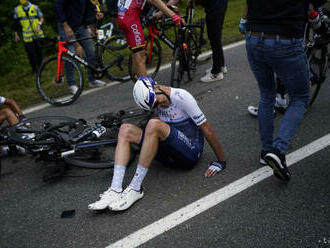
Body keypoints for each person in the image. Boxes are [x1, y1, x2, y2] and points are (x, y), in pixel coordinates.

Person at [88, 76, 226, 211]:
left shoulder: (182, 97)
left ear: (157, 87)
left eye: (156, 101)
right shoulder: (154, 97)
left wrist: (221, 161)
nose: (159, 106)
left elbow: (207, 129)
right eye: (154, 106)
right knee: (125, 130)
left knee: (153, 124)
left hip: (190, 153)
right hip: (169, 152)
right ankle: (115, 189)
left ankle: (135, 188)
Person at [245, 0, 326, 181]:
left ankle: (266, 151)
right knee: (300, 98)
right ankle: (278, 150)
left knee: (267, 94)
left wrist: (245, 21)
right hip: (285, 39)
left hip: (253, 36)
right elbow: (316, 6)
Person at [117, 0, 183, 78]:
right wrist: (173, 16)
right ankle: (146, 87)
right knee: (140, 56)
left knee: (135, 53)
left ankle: (140, 85)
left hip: (123, 16)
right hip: (130, 18)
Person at [55, 0, 107, 95]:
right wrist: (66, 26)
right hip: (66, 26)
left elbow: (87, 7)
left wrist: (96, 13)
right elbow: (58, 8)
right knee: (71, 54)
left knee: (91, 52)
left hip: (81, 26)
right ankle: (72, 84)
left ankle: (92, 80)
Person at [200, 0, 228, 83]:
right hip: (219, 5)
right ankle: (221, 66)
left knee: (214, 39)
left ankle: (216, 73)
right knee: (216, 39)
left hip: (215, 8)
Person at [13, 0, 44, 73]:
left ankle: (41, 67)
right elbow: (15, 23)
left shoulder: (35, 7)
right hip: (27, 36)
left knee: (38, 51)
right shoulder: (17, 10)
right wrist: (16, 34)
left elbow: (42, 18)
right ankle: (34, 69)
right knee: (30, 53)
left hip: (37, 34)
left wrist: (39, 24)